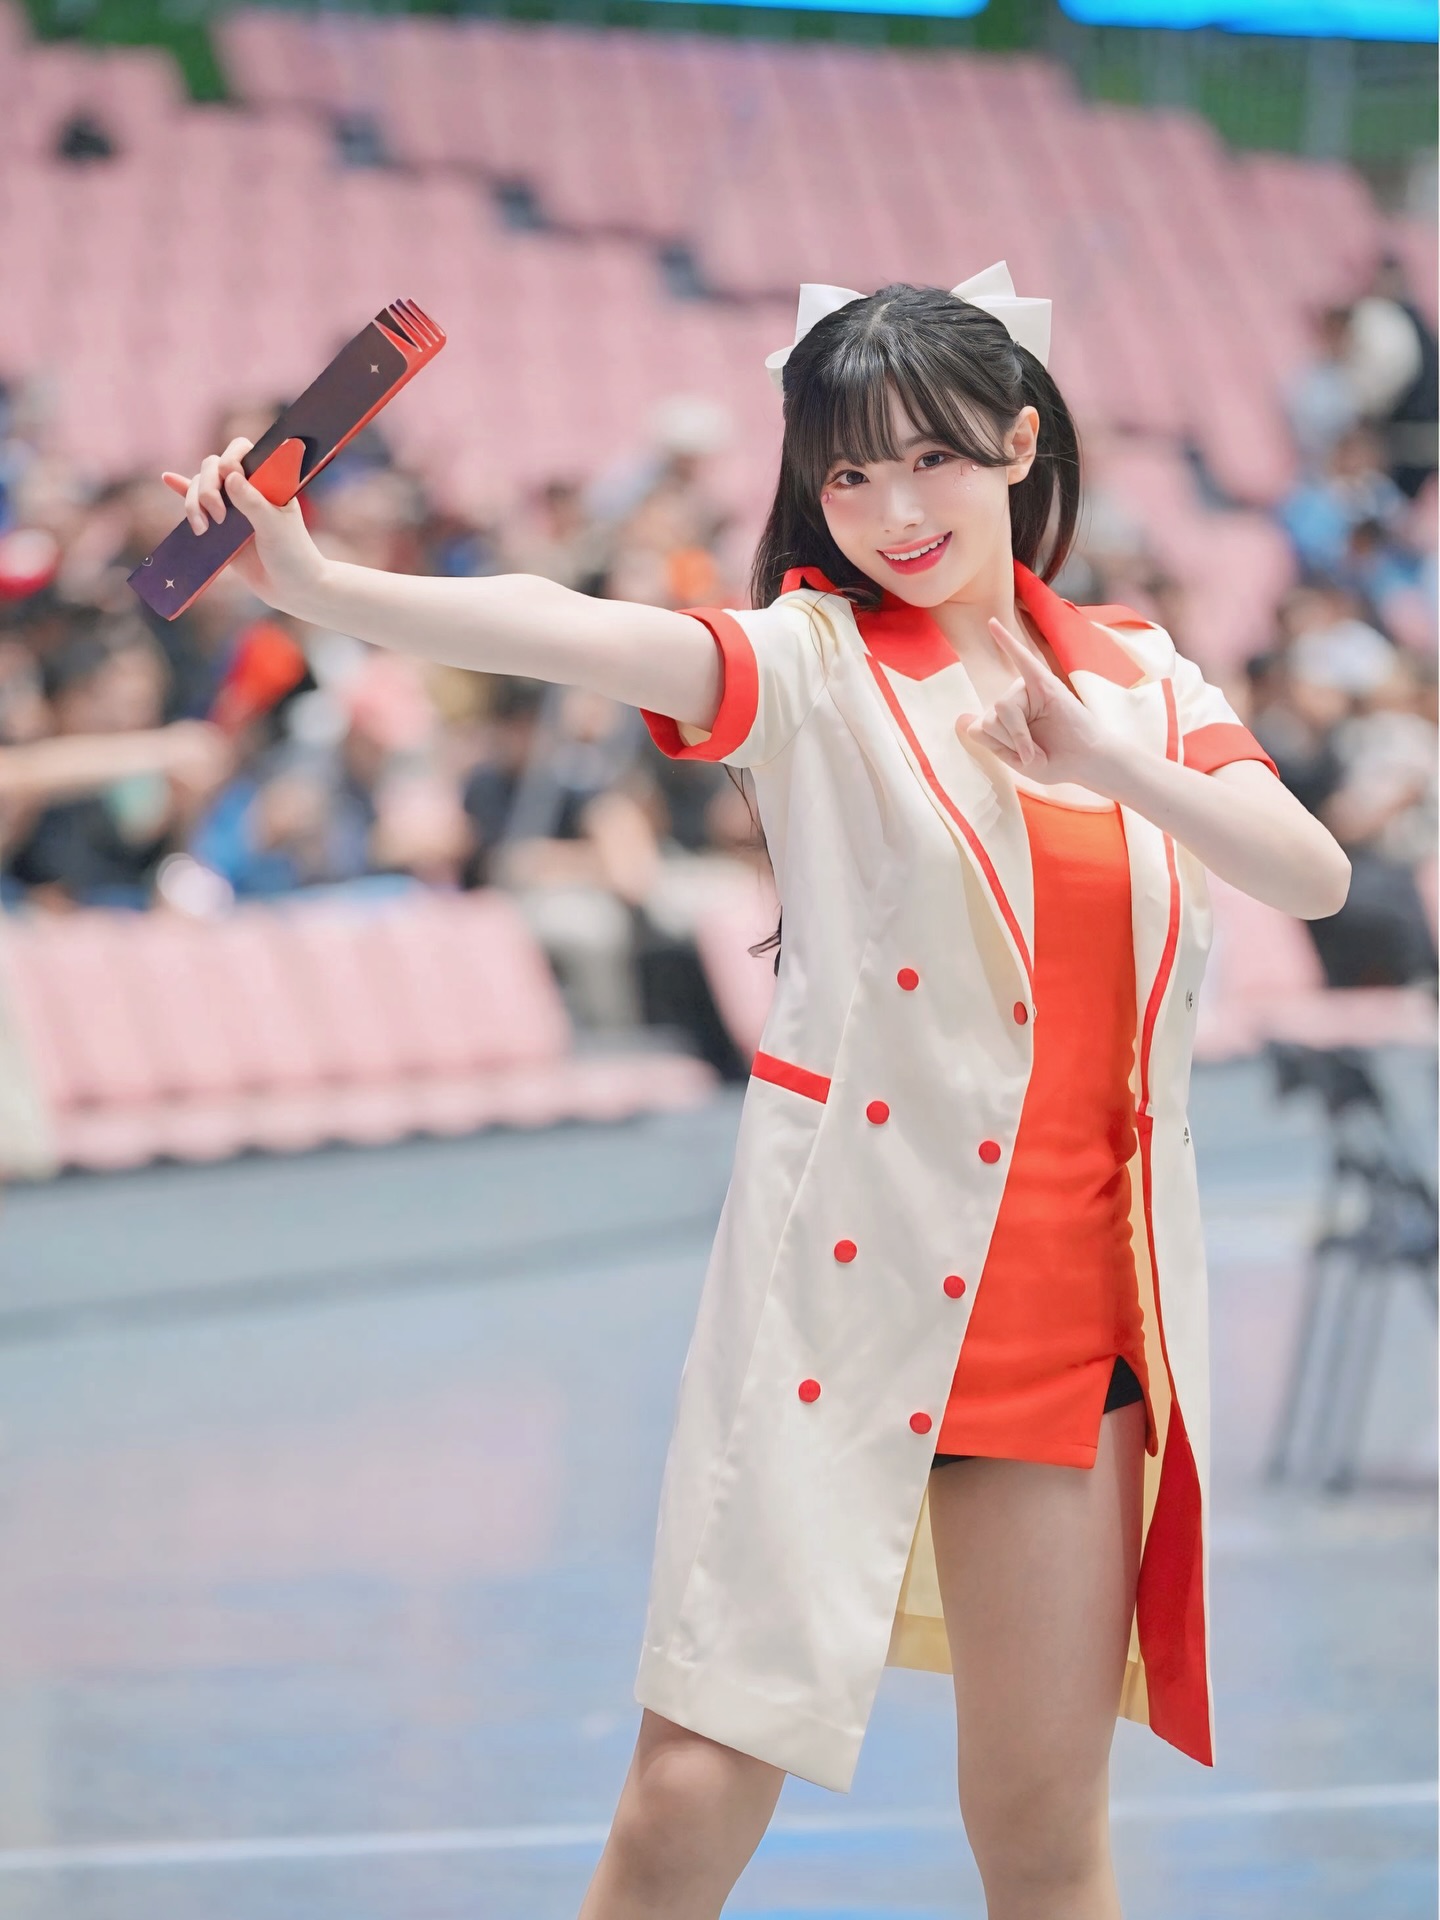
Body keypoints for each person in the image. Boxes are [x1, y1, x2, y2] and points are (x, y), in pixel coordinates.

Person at [162, 262, 1351, 1920]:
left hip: (1077, 1323)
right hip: (845, 1301)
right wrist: (317, 582)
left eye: (931, 458)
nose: (892, 511)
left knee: (1045, 1833)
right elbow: (566, 628)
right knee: (686, 1797)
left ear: (1018, 445)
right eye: (849, 473)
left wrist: (1102, 760)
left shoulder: (1143, 680)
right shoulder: (809, 662)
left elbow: (1309, 874)